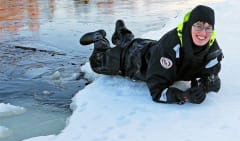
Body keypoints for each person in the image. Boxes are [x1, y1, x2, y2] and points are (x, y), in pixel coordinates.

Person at [79, 5, 223, 105]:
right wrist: (183, 96)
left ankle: (122, 32)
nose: (203, 33)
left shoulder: (212, 48)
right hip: (133, 60)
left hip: (150, 48)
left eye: (208, 28)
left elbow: (212, 77)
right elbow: (157, 91)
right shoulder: (168, 49)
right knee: (98, 64)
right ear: (189, 25)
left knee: (131, 42)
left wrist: (203, 87)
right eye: (198, 26)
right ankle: (99, 38)